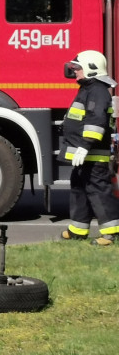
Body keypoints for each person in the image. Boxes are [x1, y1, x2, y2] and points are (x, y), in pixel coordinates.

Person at [60, 50, 119, 245]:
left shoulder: (97, 91)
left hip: (92, 154)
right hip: (84, 154)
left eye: (78, 67)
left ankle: (111, 233)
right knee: (79, 188)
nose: (74, 71)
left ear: (91, 69)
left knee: (98, 191)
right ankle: (78, 230)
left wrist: (84, 146)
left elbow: (96, 121)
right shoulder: (88, 89)